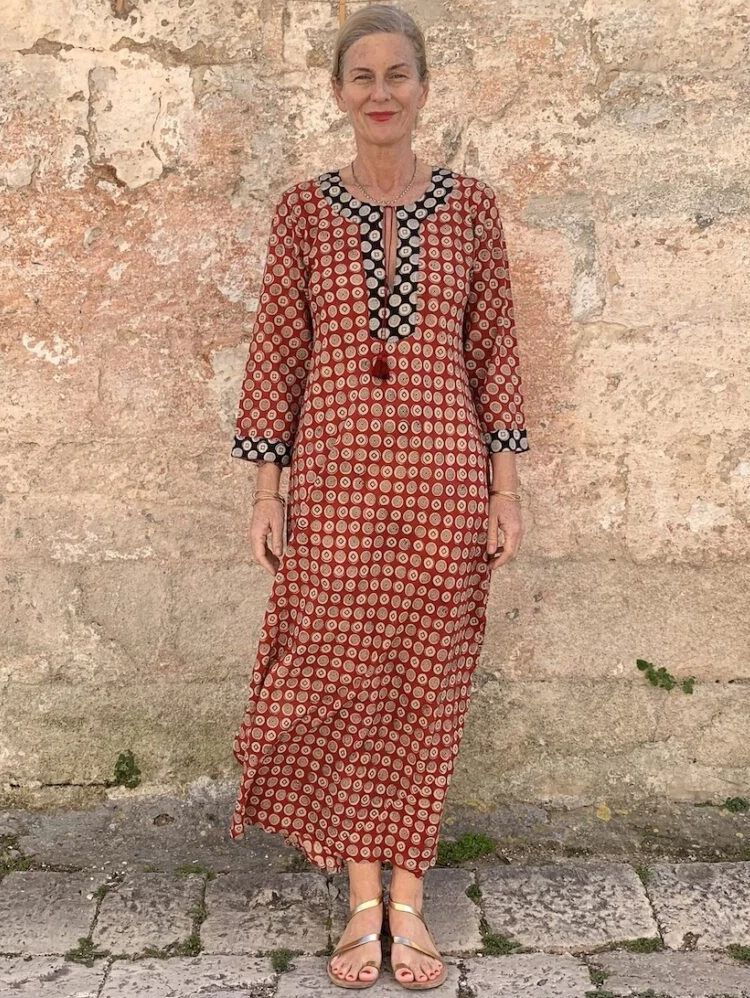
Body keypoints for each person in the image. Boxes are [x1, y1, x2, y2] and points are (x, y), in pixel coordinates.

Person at [228, 3, 529, 990]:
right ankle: (364, 902)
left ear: (425, 88)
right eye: (363, 76)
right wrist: (268, 491)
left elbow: (496, 355)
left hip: (444, 480)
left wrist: (506, 485)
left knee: (427, 682)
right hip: (335, 481)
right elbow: (278, 353)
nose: (381, 92)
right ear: (338, 92)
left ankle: (411, 901)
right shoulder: (302, 213)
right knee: (347, 678)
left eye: (399, 75)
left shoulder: (473, 209)